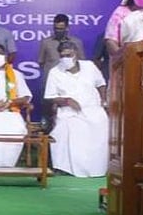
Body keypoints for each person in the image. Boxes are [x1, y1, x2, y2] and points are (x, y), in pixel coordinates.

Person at [44, 40, 109, 177]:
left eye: (68, 55)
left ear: (76, 54)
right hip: (69, 111)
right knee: (66, 128)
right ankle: (67, 168)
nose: (65, 58)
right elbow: (50, 97)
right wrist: (67, 100)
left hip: (93, 109)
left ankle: (97, 168)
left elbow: (101, 84)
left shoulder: (89, 66)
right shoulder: (55, 72)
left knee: (102, 123)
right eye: (62, 56)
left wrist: (104, 101)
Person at [37, 13, 86, 131]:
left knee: (68, 111)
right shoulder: (46, 42)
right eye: (56, 28)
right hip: (50, 82)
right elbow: (41, 62)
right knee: (47, 112)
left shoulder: (76, 42)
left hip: (69, 83)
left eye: (61, 28)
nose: (58, 31)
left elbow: (81, 62)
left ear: (67, 28)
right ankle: (46, 134)